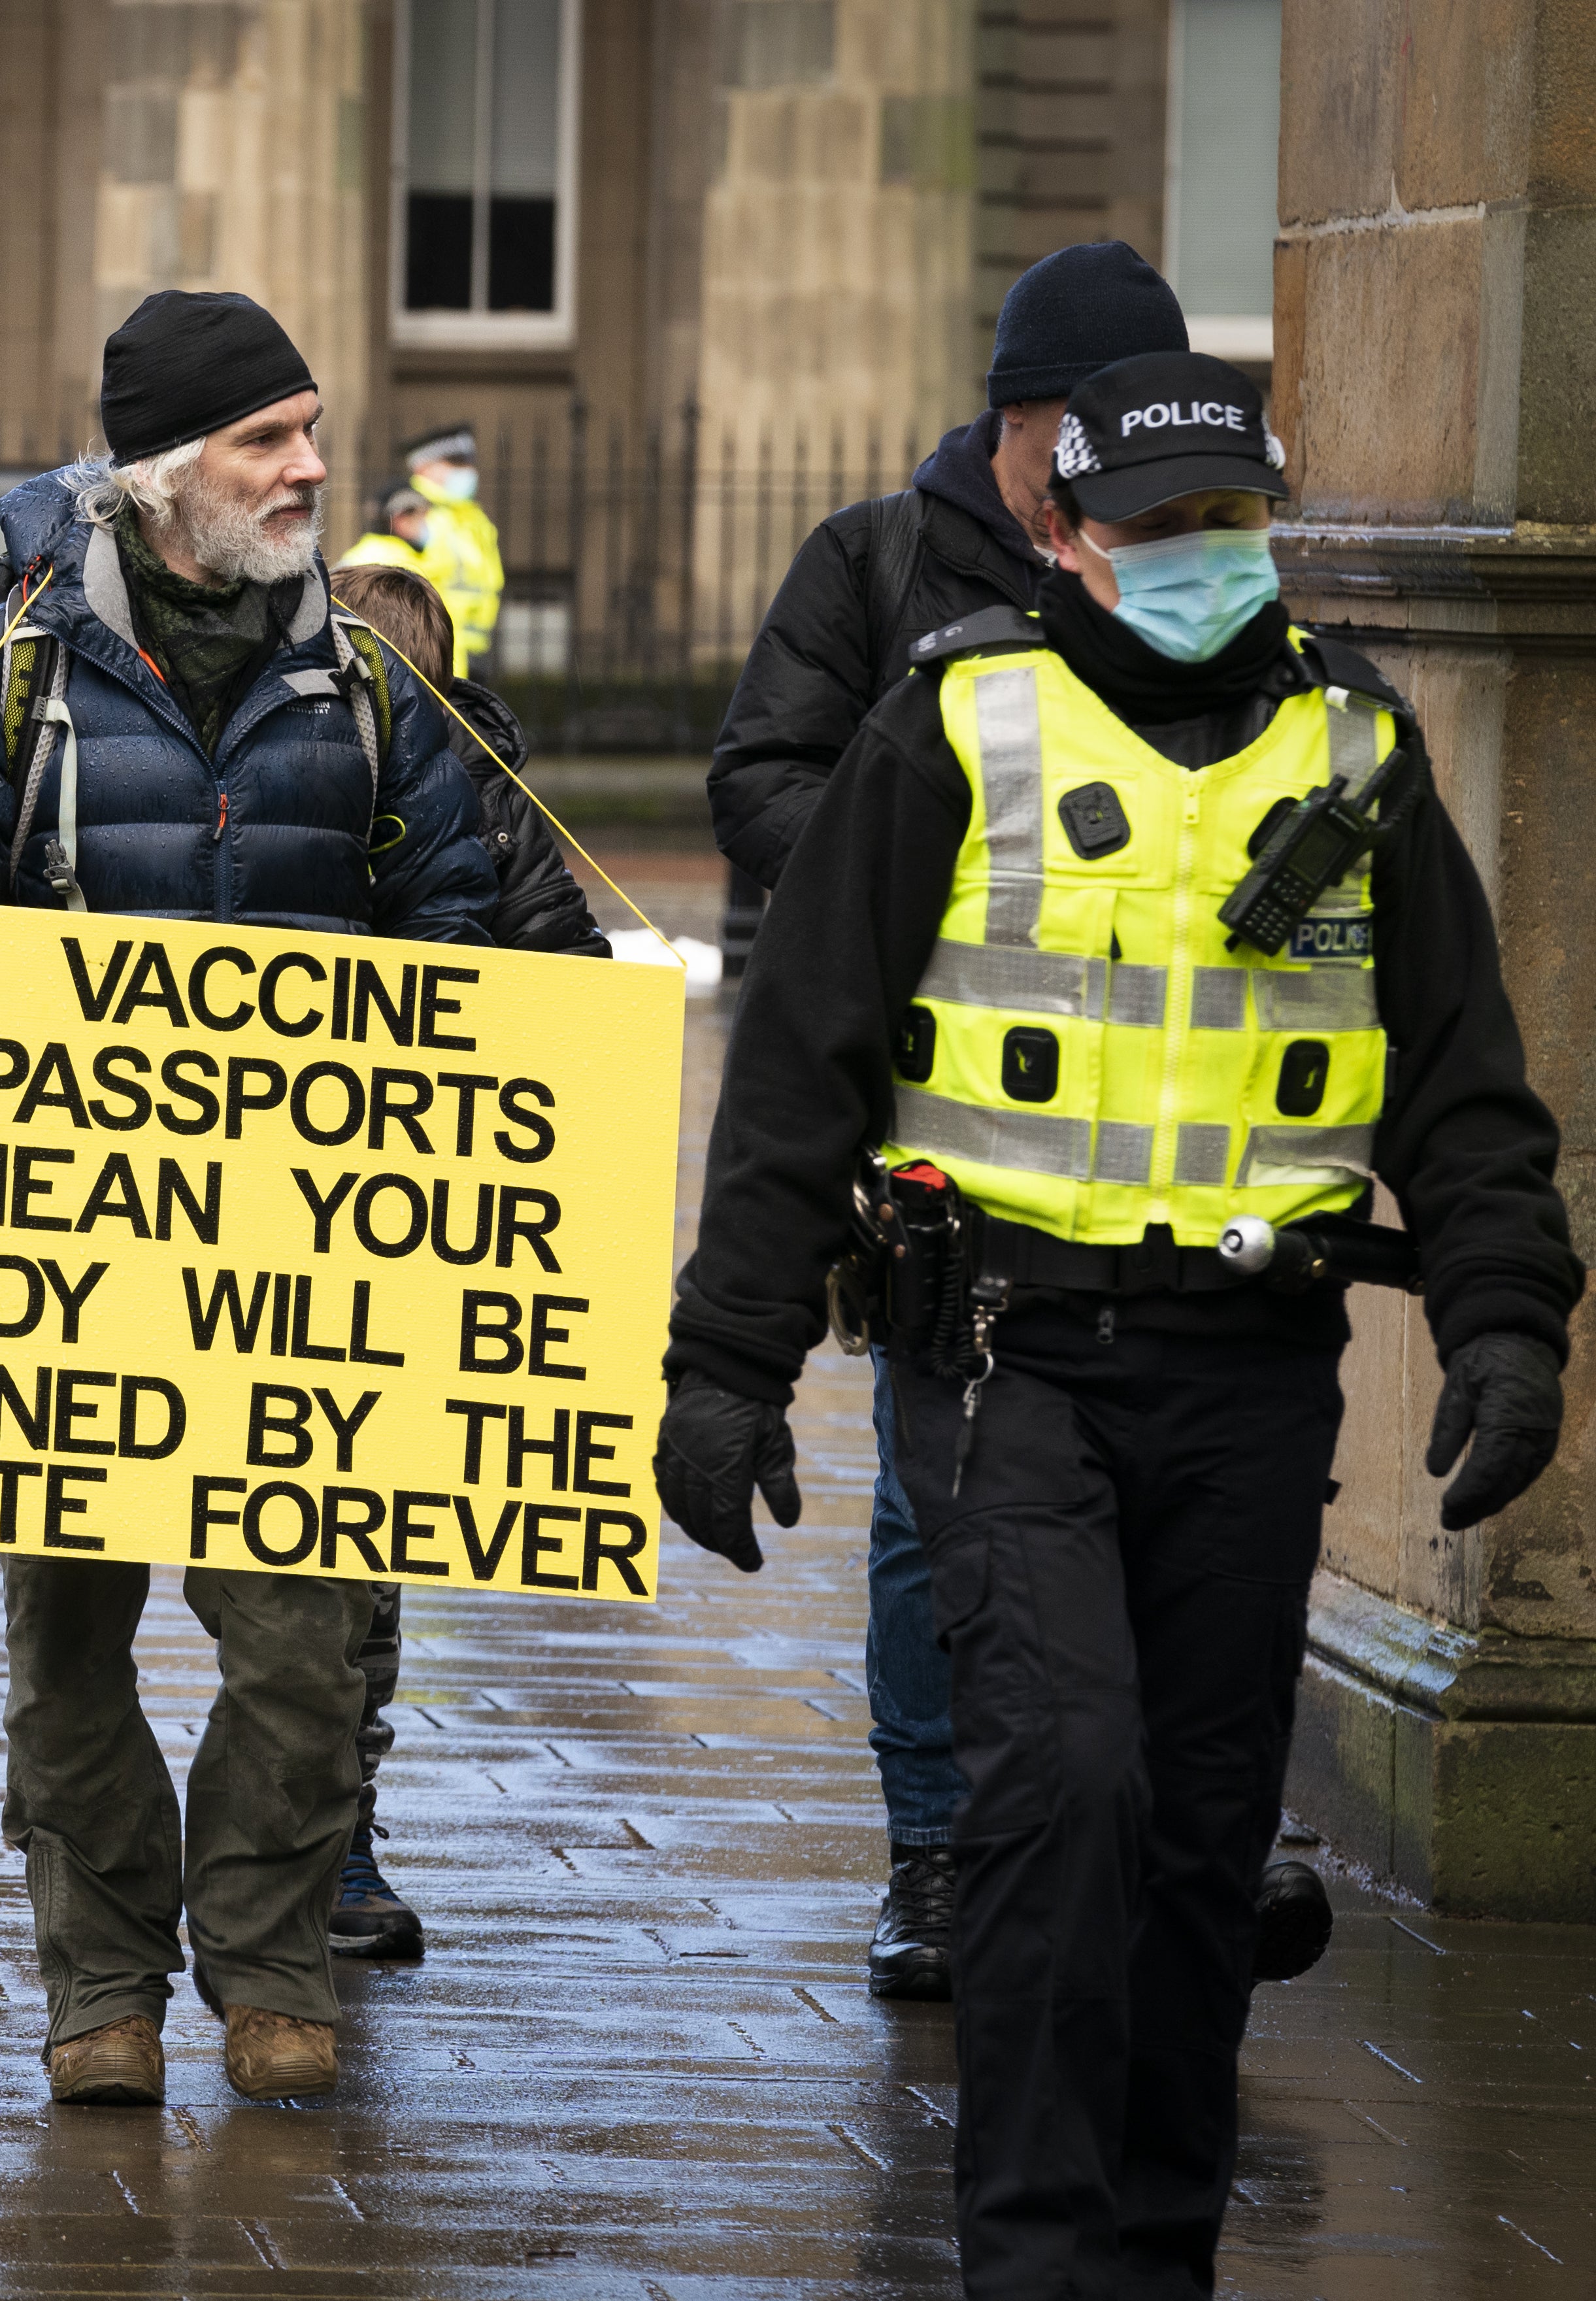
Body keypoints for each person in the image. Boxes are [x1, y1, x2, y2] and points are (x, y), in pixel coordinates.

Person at [654, 351, 1577, 2295]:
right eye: (1158, 527)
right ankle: (1035, 2257)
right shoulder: (952, 721)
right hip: (1009, 1357)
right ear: (1065, 534)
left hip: (1255, 1368)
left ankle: (1156, 2255)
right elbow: (804, 1061)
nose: (1202, 555)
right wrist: (729, 1363)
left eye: (1232, 520)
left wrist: (1506, 1318)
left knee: (1200, 1832)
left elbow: (1465, 1079)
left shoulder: (1354, 746)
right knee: (1065, 1784)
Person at [0, 290, 497, 2106]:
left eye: (311, 431)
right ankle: (102, 1983)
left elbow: (465, 924)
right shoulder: (9, 674)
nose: (309, 468)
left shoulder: (365, 688)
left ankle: (270, 1961)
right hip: (59, 1264)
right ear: (159, 474)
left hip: (300, 1269)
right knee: (68, 1654)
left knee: (305, 1653)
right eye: (265, 438)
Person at [692, 241, 1365, 2002]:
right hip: (945, 1121)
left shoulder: (1204, 566)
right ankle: (940, 1845)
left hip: (1191, 1153)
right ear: (1017, 421)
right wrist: (927, 862)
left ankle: (1193, 1828)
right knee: (937, 1502)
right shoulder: (873, 560)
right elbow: (758, 774)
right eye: (1075, 427)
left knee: (1193, 1506)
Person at [318, 560, 607, 1962]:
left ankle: (332, 1839)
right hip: (330, 1231)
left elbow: (566, 1001)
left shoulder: (488, 809)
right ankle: (321, 1841)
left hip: (394, 1237)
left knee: (346, 1572)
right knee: (330, 1579)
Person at [335, 426, 497, 673]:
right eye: (454, 463)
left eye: (468, 462)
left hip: (468, 651)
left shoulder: (473, 519)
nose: (467, 471)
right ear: (424, 467)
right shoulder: (424, 516)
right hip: (428, 650)